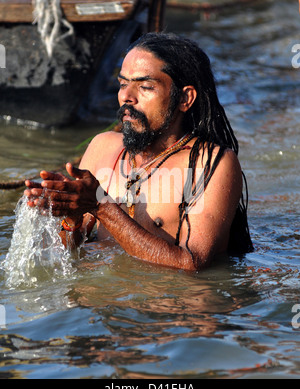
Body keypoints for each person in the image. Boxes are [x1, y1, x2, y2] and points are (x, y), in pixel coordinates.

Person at [24, 32, 253, 271]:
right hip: (102, 302)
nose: (127, 97)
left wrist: (102, 207)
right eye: (123, 84)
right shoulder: (103, 146)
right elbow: (64, 254)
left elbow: (191, 264)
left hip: (166, 303)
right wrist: (71, 216)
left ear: (185, 98)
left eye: (145, 86)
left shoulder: (210, 162)